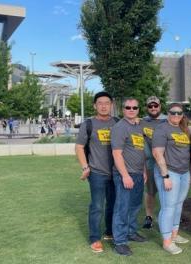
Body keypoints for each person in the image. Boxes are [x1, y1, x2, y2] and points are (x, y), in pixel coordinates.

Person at [75, 91, 118, 253]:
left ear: (111, 105)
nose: (104, 106)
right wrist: (85, 167)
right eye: (100, 103)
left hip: (115, 173)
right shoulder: (88, 124)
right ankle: (94, 238)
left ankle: (110, 232)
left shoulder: (118, 122)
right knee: (97, 206)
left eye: (107, 103)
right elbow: (79, 147)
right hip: (97, 172)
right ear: (95, 106)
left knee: (113, 204)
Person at [111, 98, 148, 256]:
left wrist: (144, 170)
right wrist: (125, 175)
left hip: (139, 173)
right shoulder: (120, 127)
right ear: (123, 109)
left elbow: (140, 150)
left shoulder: (139, 126)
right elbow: (117, 153)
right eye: (128, 107)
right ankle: (119, 241)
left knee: (134, 206)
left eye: (134, 107)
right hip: (125, 175)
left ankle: (131, 232)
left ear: (138, 110)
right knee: (122, 208)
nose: (131, 110)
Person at [152, 102, 191, 255]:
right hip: (169, 172)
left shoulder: (184, 129)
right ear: (168, 113)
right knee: (168, 207)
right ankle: (167, 241)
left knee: (178, 204)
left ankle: (174, 235)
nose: (176, 115)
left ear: (182, 115)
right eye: (173, 112)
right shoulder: (162, 129)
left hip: (183, 173)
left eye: (179, 113)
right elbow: (157, 153)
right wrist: (165, 175)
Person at [141, 96, 167, 230]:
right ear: (147, 108)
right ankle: (149, 216)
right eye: (150, 106)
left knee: (167, 191)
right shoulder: (142, 122)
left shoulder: (167, 120)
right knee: (150, 191)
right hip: (150, 163)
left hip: (165, 163)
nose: (153, 108)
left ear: (160, 106)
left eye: (155, 106)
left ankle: (167, 216)